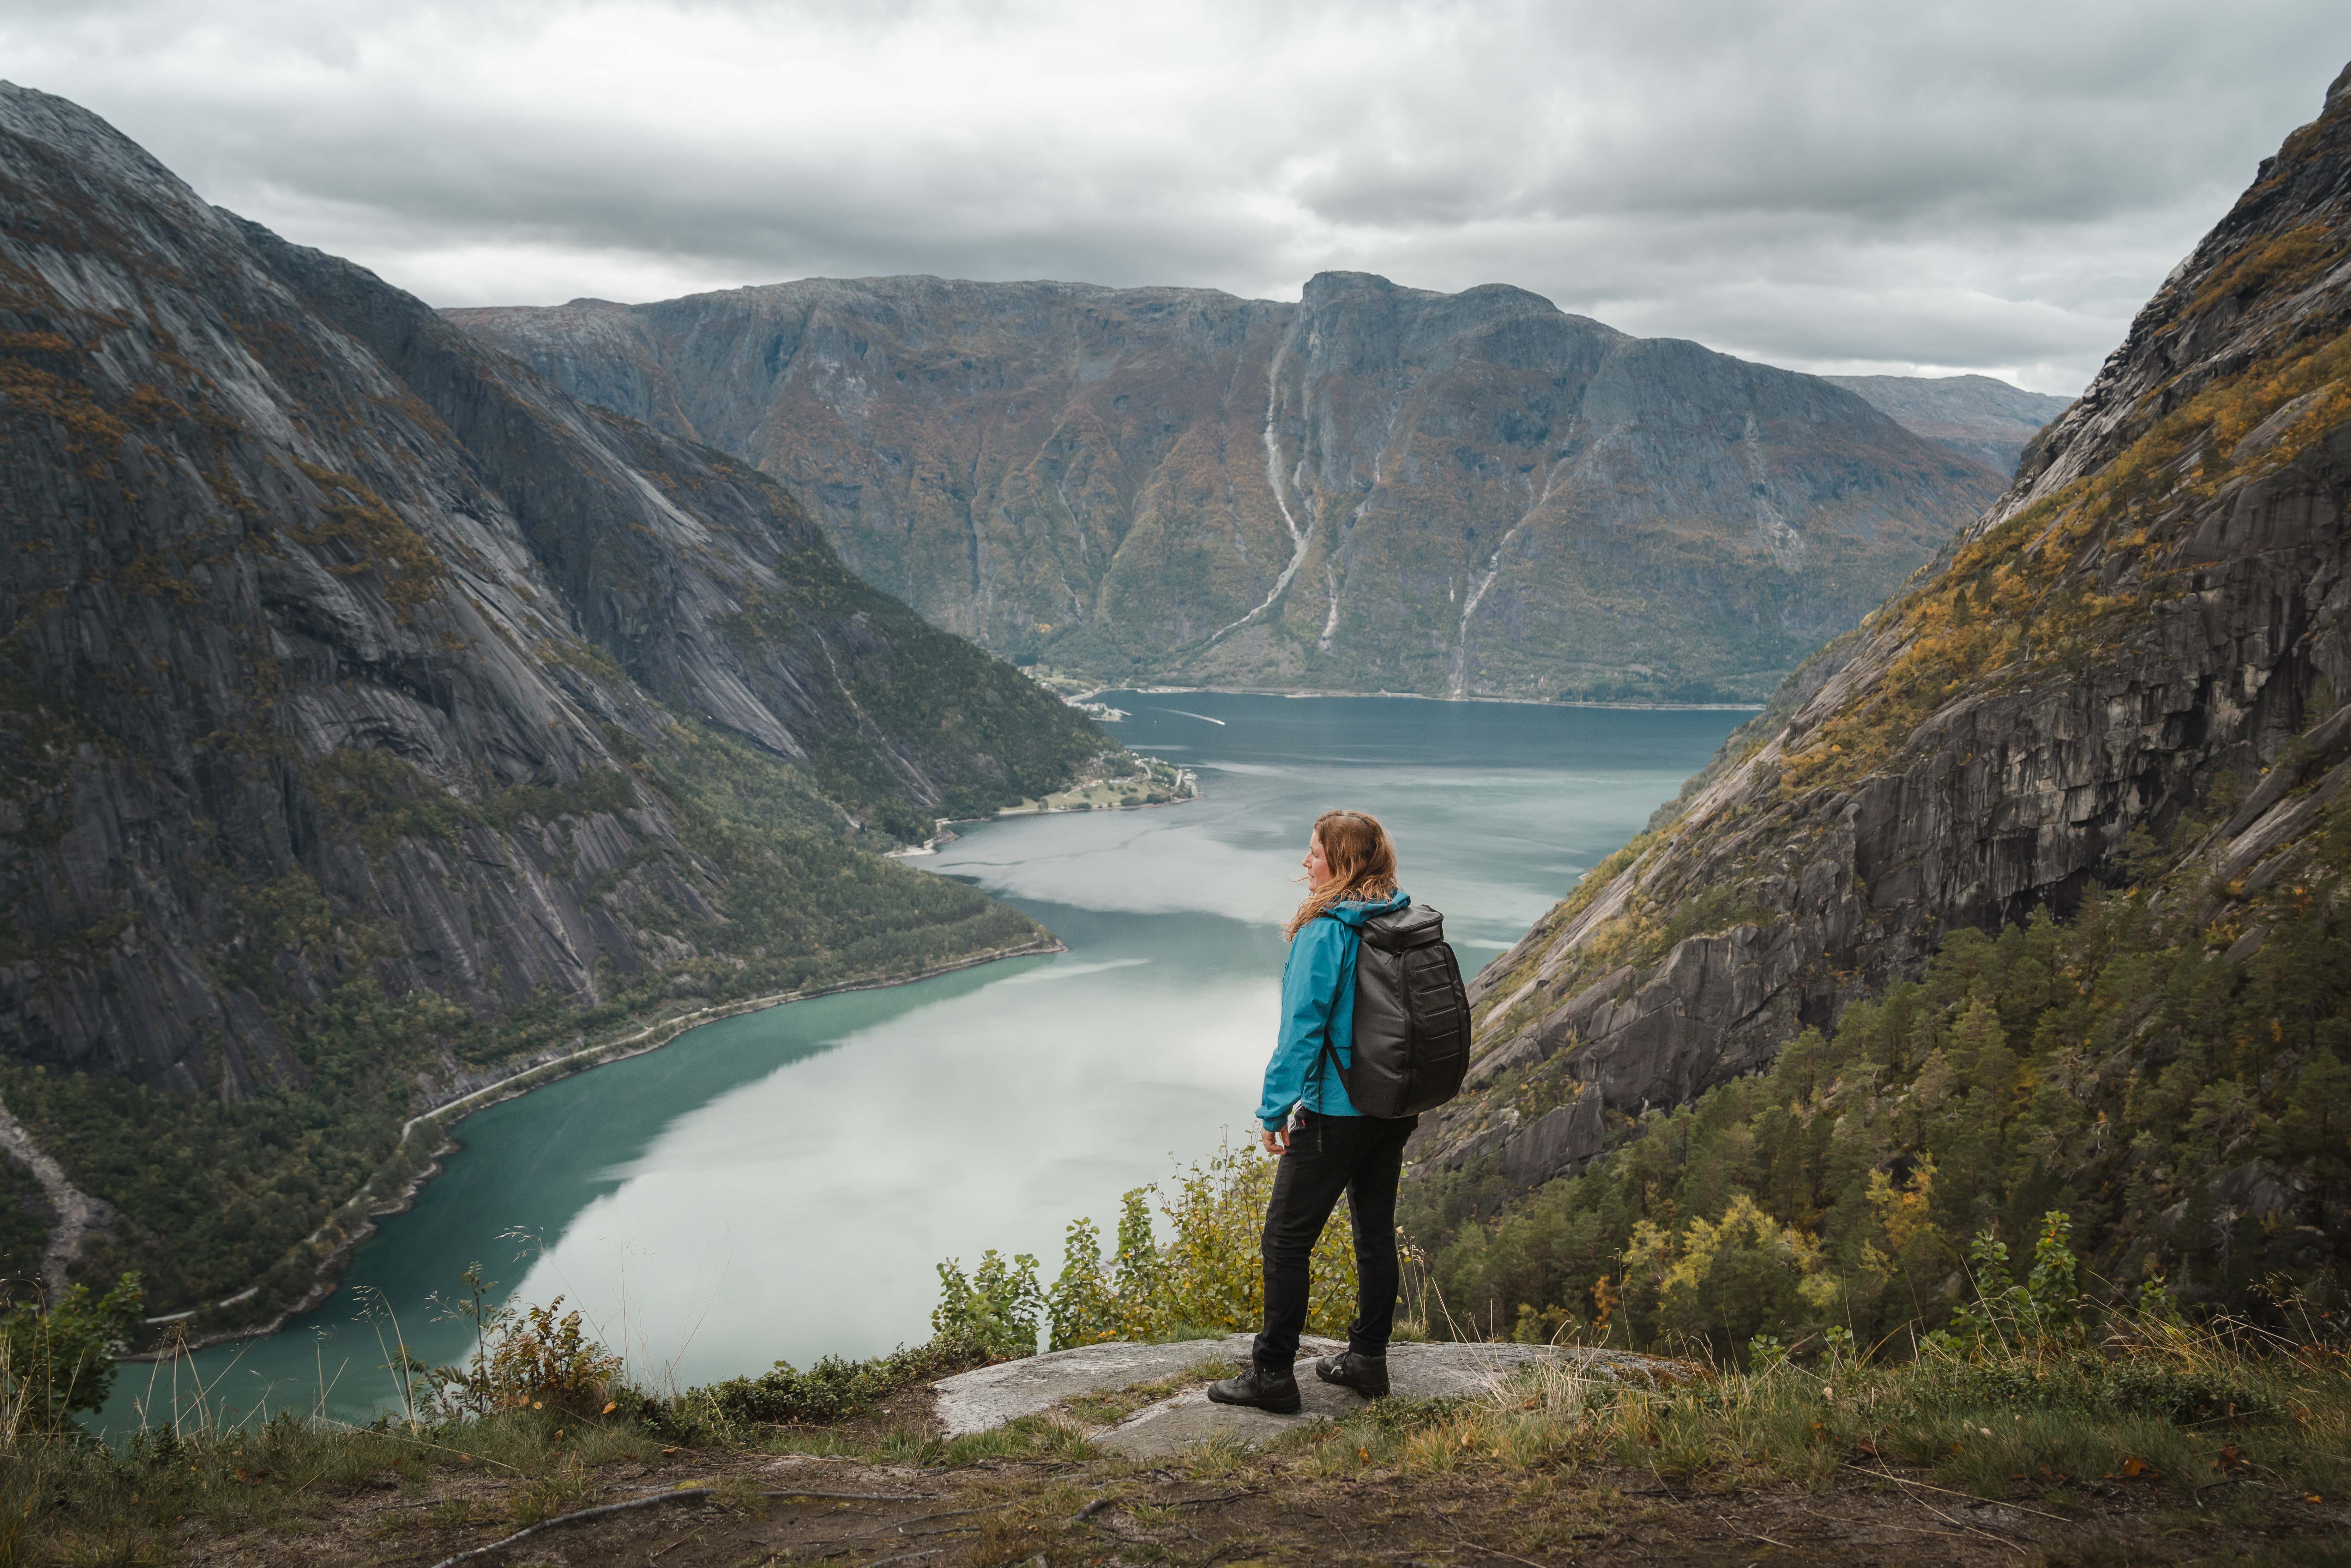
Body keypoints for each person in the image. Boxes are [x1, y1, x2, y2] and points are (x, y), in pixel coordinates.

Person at [1207, 808, 1412, 1413]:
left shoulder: (1327, 930)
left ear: (1343, 862)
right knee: (1374, 1233)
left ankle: (1272, 1373)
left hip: (1339, 1110)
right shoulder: (1399, 914)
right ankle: (1368, 1360)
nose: (1305, 861)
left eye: (1316, 851)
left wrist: (1274, 1110)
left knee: (1285, 1240)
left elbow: (1303, 1029)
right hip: (1395, 1105)